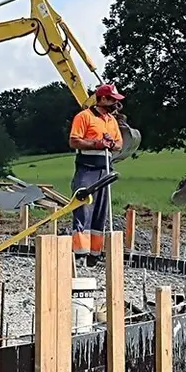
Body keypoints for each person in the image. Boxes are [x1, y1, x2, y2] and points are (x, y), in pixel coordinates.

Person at [68, 83, 125, 266]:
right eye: (111, 100)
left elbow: (119, 144)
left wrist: (111, 144)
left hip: (104, 169)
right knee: (83, 207)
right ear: (101, 99)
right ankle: (79, 253)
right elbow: (74, 141)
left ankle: (94, 253)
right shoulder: (84, 117)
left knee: (101, 210)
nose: (114, 104)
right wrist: (97, 144)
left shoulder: (111, 120)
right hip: (87, 169)